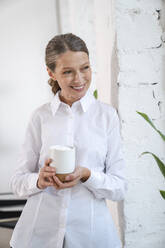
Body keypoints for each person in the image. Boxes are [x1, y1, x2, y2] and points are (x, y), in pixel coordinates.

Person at [10, 33, 127, 248]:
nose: (79, 79)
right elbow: (17, 182)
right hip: (39, 234)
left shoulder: (106, 116)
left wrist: (87, 175)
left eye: (85, 68)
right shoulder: (40, 117)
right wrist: (39, 180)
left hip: (91, 236)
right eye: (67, 72)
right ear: (51, 73)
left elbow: (119, 188)